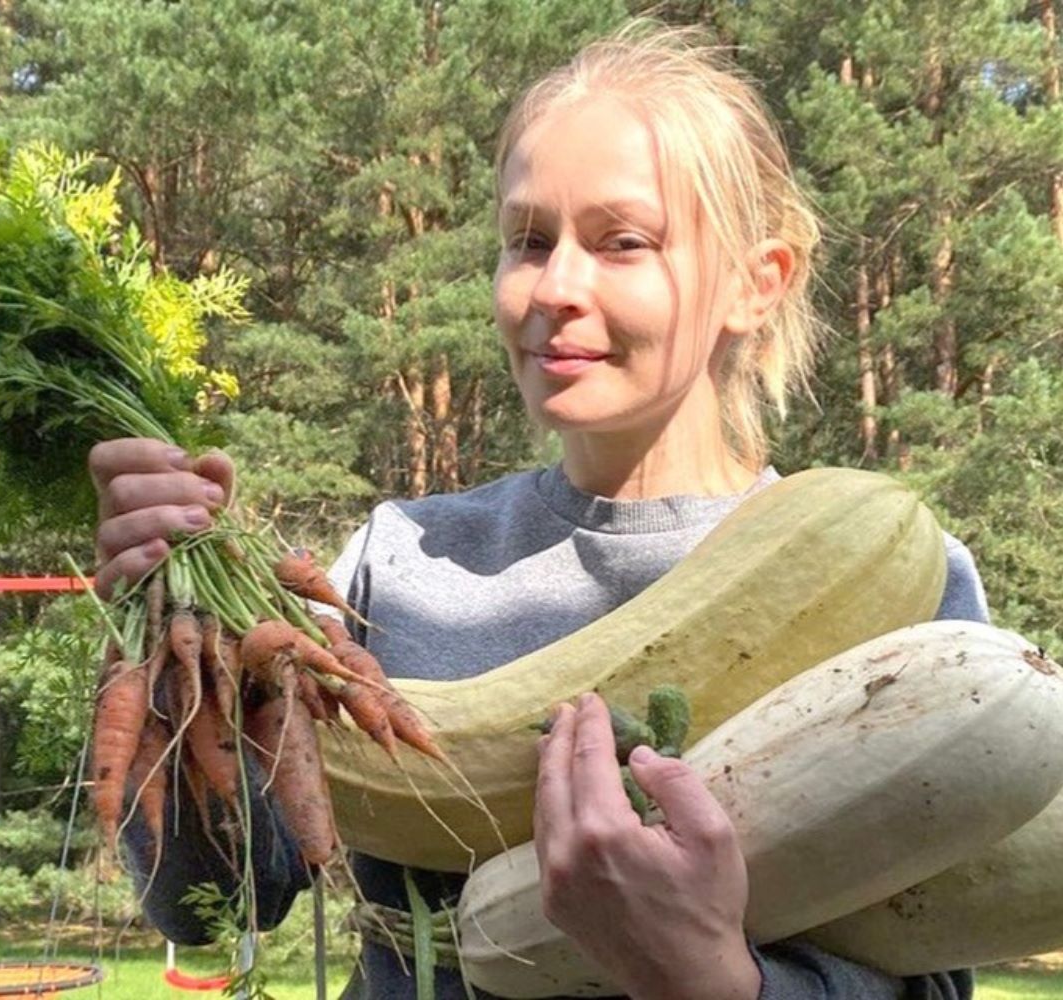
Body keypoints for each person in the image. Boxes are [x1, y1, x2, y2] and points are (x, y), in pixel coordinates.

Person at [89, 21, 988, 1000]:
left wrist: (718, 980)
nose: (555, 287)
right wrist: (170, 649)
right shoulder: (396, 561)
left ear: (753, 282)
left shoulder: (900, 575)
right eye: (528, 240)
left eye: (622, 242)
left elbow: (934, 963)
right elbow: (218, 903)